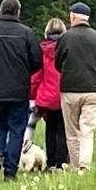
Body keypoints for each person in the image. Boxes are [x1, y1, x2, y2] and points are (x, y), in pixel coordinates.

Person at [0, 0, 43, 182]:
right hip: (19, 90)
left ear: (0, 10)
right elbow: (37, 61)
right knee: (17, 129)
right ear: (18, 11)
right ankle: (10, 171)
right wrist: (25, 72)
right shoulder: (27, 33)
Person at [54, 2, 96, 171]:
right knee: (87, 129)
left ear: (72, 17)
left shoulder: (66, 37)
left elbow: (57, 63)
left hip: (70, 89)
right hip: (93, 88)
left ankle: (75, 163)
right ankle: (84, 165)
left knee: (72, 131)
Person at [29, 18, 68, 170]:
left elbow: (36, 75)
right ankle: (61, 162)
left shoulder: (41, 50)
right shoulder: (66, 48)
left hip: (45, 96)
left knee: (50, 129)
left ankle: (50, 162)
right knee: (63, 129)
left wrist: (32, 94)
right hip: (63, 93)